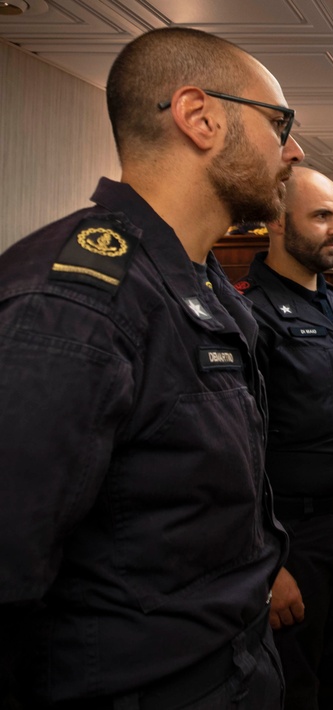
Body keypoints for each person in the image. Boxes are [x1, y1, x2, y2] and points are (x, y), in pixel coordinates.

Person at [0, 27, 301, 708]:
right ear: (201, 118)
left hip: (232, 666)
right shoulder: (77, 300)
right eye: (279, 123)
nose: (294, 149)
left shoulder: (202, 284)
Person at [234, 167, 333, 710]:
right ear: (276, 221)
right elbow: (237, 454)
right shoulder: (249, 313)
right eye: (321, 216)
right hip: (292, 533)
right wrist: (268, 563)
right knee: (295, 683)